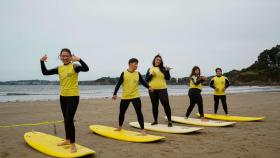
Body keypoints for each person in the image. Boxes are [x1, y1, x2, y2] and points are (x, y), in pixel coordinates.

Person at [40, 48, 89, 153]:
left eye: (67, 56)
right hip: (63, 97)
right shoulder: (59, 68)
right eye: (63, 56)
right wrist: (41, 61)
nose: (65, 57)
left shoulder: (75, 66)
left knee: (69, 120)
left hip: (73, 97)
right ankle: (67, 140)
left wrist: (79, 59)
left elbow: (86, 69)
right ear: (60, 57)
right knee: (66, 120)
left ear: (70, 56)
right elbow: (45, 72)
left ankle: (73, 144)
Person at [112, 58, 153, 135]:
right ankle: (120, 127)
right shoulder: (124, 73)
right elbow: (118, 84)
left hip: (135, 96)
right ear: (130, 64)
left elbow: (143, 82)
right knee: (122, 112)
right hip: (125, 97)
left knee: (139, 112)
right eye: (135, 64)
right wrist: (115, 93)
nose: (136, 66)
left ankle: (142, 129)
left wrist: (149, 87)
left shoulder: (138, 73)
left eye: (137, 64)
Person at [145, 54, 172, 127]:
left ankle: (169, 121)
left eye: (159, 60)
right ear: (154, 60)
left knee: (165, 103)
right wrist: (151, 75)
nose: (158, 61)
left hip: (162, 89)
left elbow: (168, 78)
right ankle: (155, 120)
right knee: (154, 105)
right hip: (152, 89)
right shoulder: (150, 69)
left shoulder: (163, 68)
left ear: (161, 62)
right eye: (157, 59)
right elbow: (146, 79)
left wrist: (167, 71)